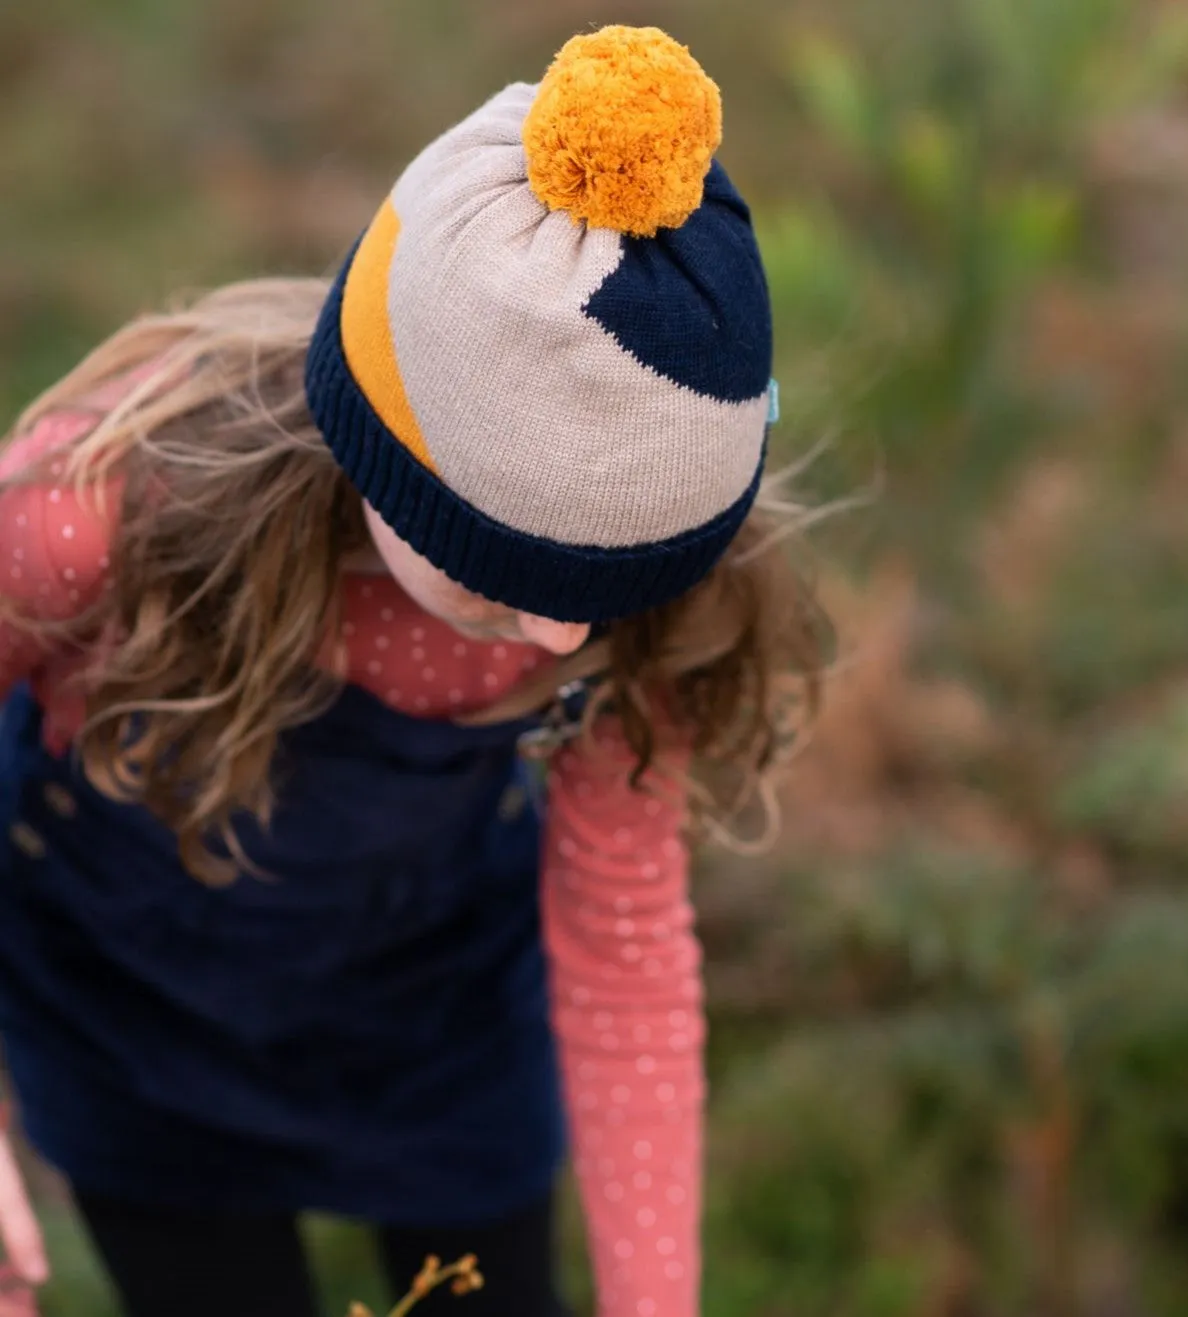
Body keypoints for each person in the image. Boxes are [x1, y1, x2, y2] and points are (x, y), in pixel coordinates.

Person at [0, 24, 827, 1317]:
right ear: (388, 457)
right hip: (134, 1025)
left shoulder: (637, 621)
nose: (557, 642)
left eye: (604, 596)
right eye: (503, 578)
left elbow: (624, 956)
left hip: (434, 1036)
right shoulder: (97, 510)